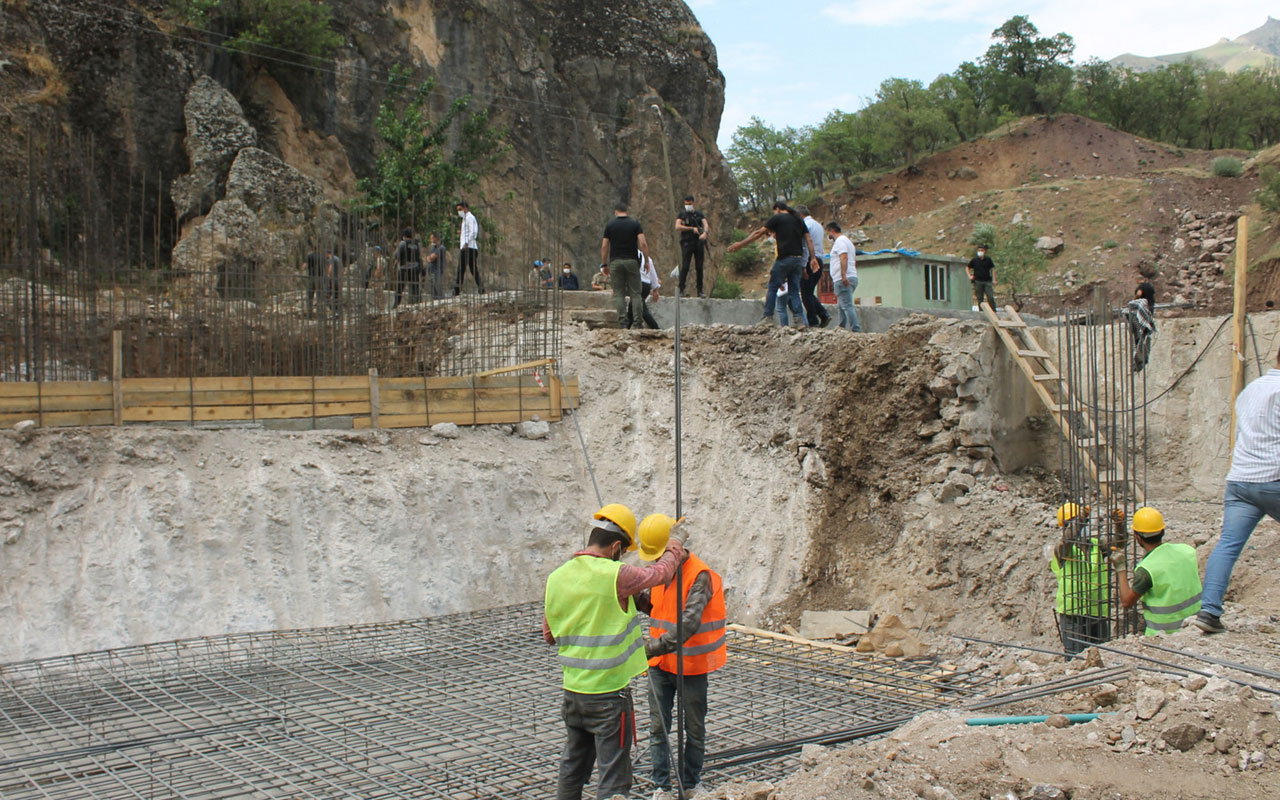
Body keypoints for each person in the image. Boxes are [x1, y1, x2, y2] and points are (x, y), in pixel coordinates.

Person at [543, 504, 687, 800]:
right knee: (613, 779)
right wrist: (676, 545)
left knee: (572, 769)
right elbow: (660, 573)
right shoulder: (616, 574)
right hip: (608, 697)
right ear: (616, 547)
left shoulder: (557, 577)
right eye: (623, 552)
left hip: (573, 694)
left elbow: (549, 635)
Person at [633, 514, 726, 799]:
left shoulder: (700, 576)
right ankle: (661, 786)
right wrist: (635, 595)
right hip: (661, 666)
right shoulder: (663, 571)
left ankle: (691, 783)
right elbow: (659, 609)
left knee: (694, 729)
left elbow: (688, 623)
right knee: (658, 728)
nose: (657, 562)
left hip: (691, 666)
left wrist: (648, 648)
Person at [1196, 344, 1280, 633]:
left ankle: (1209, 611)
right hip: (1273, 479)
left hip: (1240, 481)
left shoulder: (1251, 390)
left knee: (1228, 545)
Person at [727, 202, 819, 328]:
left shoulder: (778, 218)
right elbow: (809, 239)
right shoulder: (798, 220)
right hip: (797, 260)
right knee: (794, 291)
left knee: (773, 287)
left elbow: (758, 233)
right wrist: (812, 258)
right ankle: (799, 320)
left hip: (784, 258)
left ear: (777, 209)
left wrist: (741, 244)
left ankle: (768, 317)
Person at [1115, 507, 1202, 635]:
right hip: (1194, 626)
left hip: (1163, 635)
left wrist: (1120, 568)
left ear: (1137, 538)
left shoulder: (1146, 569)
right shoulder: (1187, 551)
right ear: (1162, 531)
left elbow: (1126, 602)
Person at [1050, 503, 1117, 655]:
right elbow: (1067, 541)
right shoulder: (1062, 550)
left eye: (1081, 522)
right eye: (1070, 524)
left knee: (1102, 656)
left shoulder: (1096, 545)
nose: (1076, 528)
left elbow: (1119, 543)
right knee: (1076, 658)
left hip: (1097, 611)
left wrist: (1119, 525)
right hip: (1072, 615)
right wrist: (1080, 519)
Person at [601, 203, 649, 329]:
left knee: (619, 294)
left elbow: (604, 246)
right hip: (632, 261)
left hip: (616, 262)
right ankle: (638, 323)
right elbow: (643, 243)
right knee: (636, 294)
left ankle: (623, 322)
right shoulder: (634, 224)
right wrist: (647, 261)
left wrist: (604, 264)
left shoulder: (610, 225)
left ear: (615, 212)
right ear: (626, 211)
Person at [796, 205, 831, 328]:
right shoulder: (818, 225)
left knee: (805, 293)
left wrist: (803, 265)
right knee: (809, 292)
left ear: (800, 215)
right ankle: (823, 314)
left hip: (810, 260)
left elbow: (805, 247)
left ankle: (813, 321)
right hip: (820, 260)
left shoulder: (806, 226)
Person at [825, 222, 861, 332]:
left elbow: (844, 257)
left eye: (828, 233)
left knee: (847, 305)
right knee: (841, 305)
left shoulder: (840, 241)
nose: (828, 236)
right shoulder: (848, 241)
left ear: (832, 231)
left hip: (843, 279)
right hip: (851, 276)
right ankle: (841, 328)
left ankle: (855, 329)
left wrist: (843, 275)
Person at [675, 195, 708, 298]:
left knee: (699, 267)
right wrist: (691, 229)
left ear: (693, 203)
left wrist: (705, 233)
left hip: (698, 242)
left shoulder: (698, 214)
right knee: (685, 266)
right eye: (686, 204)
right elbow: (678, 226)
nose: (688, 205)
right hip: (687, 242)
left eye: (689, 204)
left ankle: (700, 290)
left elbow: (706, 224)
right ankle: (681, 289)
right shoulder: (682, 214)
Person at [1121, 281, 1156, 372]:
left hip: (1139, 323)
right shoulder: (1149, 299)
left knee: (1138, 340)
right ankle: (1140, 359)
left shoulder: (1142, 300)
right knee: (1142, 341)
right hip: (1146, 320)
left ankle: (1138, 360)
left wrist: (1134, 299)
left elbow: (1138, 296)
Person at [454, 200, 484, 295]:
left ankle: (457, 290)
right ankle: (481, 288)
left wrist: (466, 243)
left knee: (461, 269)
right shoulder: (465, 219)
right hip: (469, 247)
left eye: (460, 209)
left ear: (465, 208)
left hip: (468, 248)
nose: (459, 212)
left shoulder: (470, 218)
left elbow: (473, 232)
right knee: (473, 269)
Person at [304, 247, 341, 318]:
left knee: (309, 297)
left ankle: (309, 315)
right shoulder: (323, 257)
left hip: (311, 278)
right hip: (321, 278)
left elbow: (304, 266)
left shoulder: (309, 256)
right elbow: (328, 267)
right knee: (320, 297)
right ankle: (321, 315)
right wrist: (327, 275)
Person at [392, 228, 423, 308]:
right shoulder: (417, 244)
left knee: (399, 288)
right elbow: (419, 256)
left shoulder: (403, 243)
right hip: (415, 269)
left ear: (404, 236)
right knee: (415, 288)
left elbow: (396, 256)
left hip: (404, 269)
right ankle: (417, 304)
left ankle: (396, 305)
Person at [967, 246, 997, 310]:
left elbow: (993, 269)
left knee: (990, 297)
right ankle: (981, 311)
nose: (980, 252)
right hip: (978, 281)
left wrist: (994, 280)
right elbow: (967, 267)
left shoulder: (988, 259)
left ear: (984, 251)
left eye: (982, 250)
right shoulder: (974, 260)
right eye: (979, 250)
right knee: (980, 298)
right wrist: (970, 276)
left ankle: (994, 310)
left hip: (987, 281)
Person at [424, 233, 447, 299]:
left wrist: (430, 257)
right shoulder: (433, 248)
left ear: (436, 238)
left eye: (431, 238)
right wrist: (430, 257)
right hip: (432, 271)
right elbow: (428, 258)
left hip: (437, 271)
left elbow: (432, 257)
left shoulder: (441, 248)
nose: (431, 240)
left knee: (438, 288)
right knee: (432, 289)